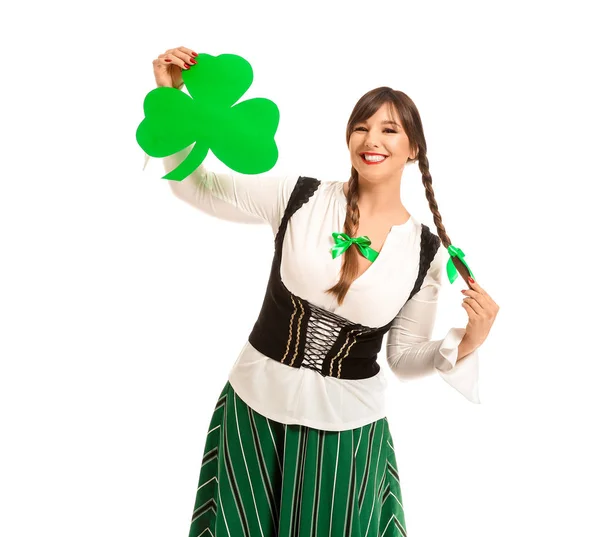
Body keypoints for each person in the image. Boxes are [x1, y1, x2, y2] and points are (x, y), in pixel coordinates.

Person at [150, 45, 500, 537]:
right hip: (252, 409)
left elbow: (403, 358)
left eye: (388, 129)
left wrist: (468, 341)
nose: (371, 139)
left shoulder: (426, 252)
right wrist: (173, 102)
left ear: (413, 148)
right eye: (361, 126)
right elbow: (196, 187)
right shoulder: (297, 195)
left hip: (347, 434)